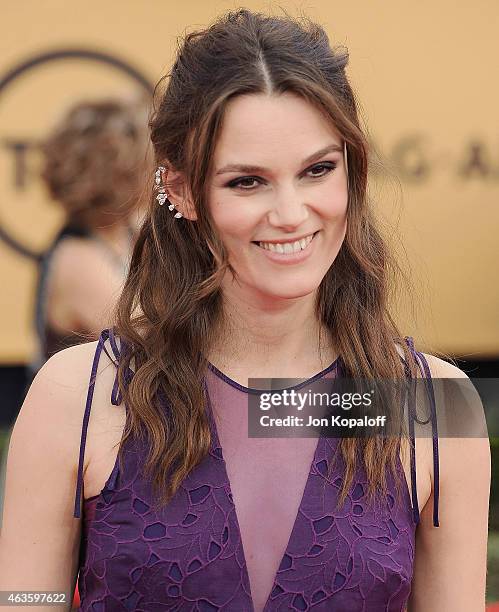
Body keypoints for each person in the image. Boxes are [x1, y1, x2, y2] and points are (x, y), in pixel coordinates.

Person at [0, 9, 490, 611]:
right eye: (247, 181)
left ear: (352, 171)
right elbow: (23, 600)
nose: (290, 213)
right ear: (181, 189)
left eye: (317, 170)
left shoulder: (430, 406)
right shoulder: (78, 397)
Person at [28, 97, 150, 379]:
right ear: (122, 173)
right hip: (71, 418)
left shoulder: (126, 231)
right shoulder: (77, 257)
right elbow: (149, 340)